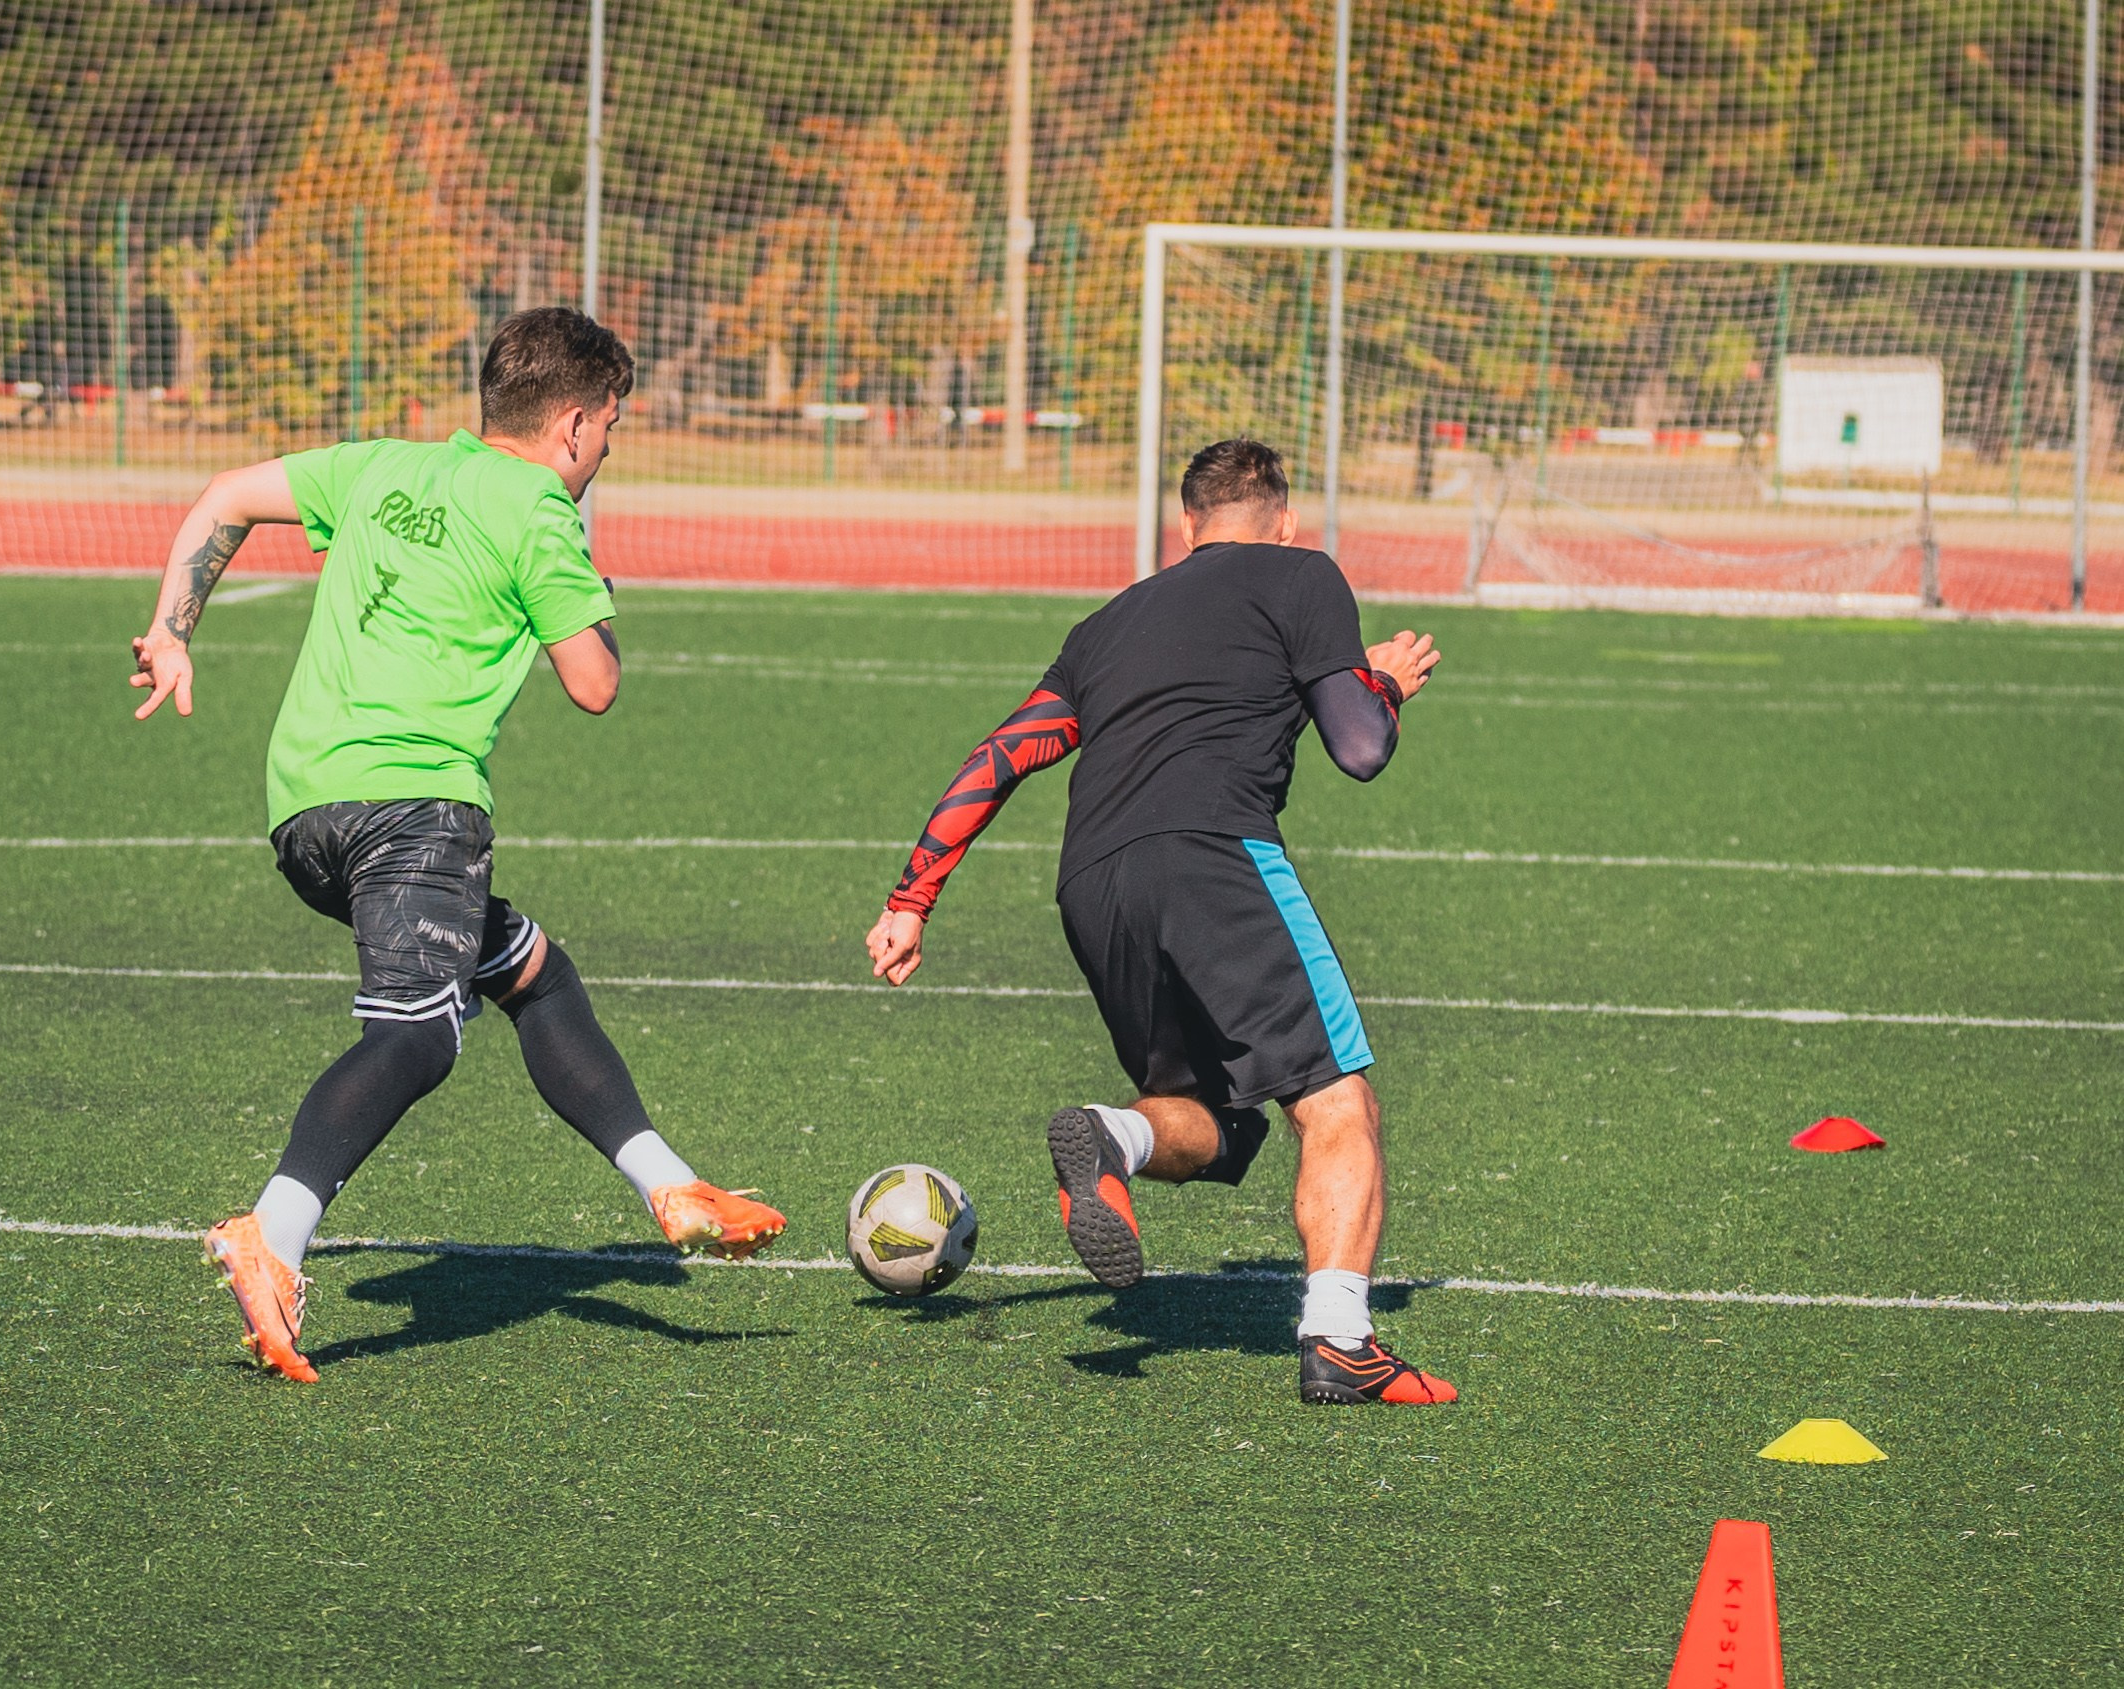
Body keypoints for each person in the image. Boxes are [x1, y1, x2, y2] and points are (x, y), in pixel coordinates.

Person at [130, 306, 785, 1383]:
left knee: (527, 968)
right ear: (573, 424)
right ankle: (273, 1232)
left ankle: (669, 1182)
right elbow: (595, 685)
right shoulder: (539, 511)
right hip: (416, 809)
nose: (607, 451)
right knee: (422, 1034)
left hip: (304, 813)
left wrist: (173, 631)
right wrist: (590, 595)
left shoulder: (380, 467)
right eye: (611, 427)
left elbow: (225, 500)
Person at [864, 438, 1453, 1406]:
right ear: (1285, 521)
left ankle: (1110, 1138)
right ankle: (1341, 1340)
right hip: (1213, 855)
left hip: (1092, 883)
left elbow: (1002, 754)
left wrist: (911, 899)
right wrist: (1380, 683)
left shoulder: (1108, 622)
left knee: (1220, 1128)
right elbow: (1358, 748)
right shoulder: (1301, 576)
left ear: (1185, 528)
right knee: (1336, 1103)